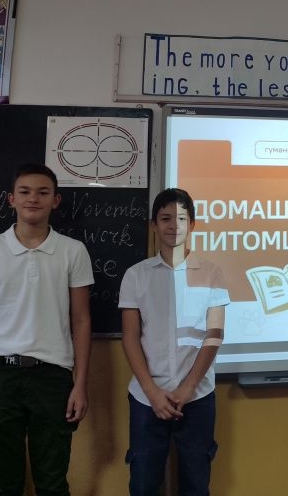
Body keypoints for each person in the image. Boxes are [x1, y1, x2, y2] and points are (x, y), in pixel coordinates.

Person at [0, 163, 93, 495]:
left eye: (43, 192)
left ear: (55, 200)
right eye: (25, 192)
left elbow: (81, 320)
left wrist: (80, 385)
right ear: (11, 199)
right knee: (3, 483)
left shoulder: (73, 251)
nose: (33, 199)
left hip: (53, 377)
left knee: (52, 482)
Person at [119, 188, 230, 496]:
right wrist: (152, 391)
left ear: (192, 224)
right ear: (154, 225)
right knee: (143, 483)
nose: (174, 225)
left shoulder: (212, 274)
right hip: (146, 397)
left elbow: (214, 335)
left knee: (196, 483)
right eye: (165, 218)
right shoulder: (136, 275)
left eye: (181, 218)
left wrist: (188, 387)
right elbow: (130, 337)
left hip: (197, 396)